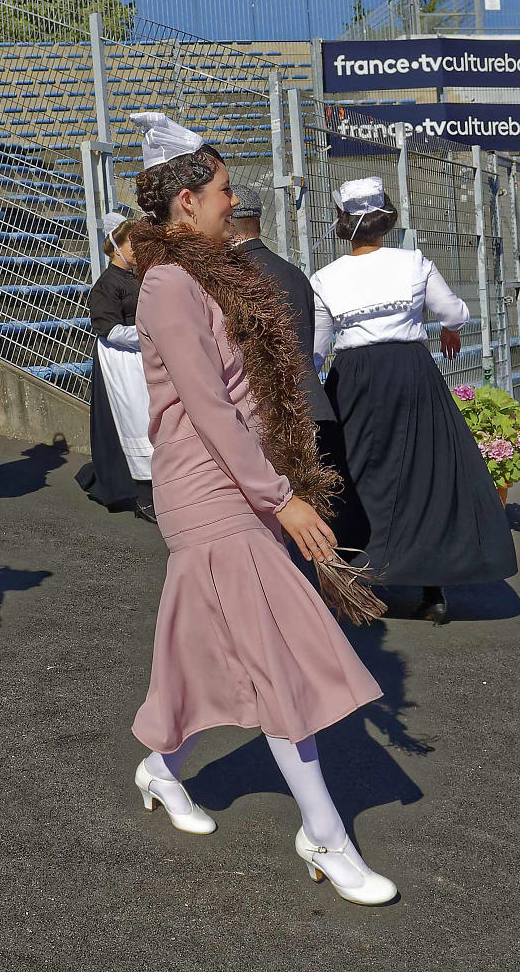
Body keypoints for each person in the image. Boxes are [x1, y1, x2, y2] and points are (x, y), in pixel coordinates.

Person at [123, 110, 395, 906]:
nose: (230, 201)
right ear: (184, 205)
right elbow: (208, 410)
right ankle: (324, 833)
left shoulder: (211, 276)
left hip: (236, 481)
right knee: (275, 654)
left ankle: (161, 767)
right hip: (210, 490)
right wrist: (283, 501)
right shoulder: (170, 285)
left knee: (221, 652)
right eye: (221, 190)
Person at [309, 178, 516, 624]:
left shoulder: (324, 278)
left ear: (343, 222)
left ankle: (359, 577)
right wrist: (447, 328)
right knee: (428, 471)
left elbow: (317, 350)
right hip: (411, 372)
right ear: (386, 218)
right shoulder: (413, 262)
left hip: (356, 378)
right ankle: (432, 591)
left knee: (356, 470)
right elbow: (455, 314)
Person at [226, 187, 366, 547]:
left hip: (269, 409)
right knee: (322, 519)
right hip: (313, 403)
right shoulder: (293, 273)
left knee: (282, 528)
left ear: (230, 223)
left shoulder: (231, 276)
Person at [76, 211, 155, 521]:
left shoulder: (141, 275)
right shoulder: (107, 285)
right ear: (115, 246)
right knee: (133, 422)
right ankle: (141, 495)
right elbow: (108, 329)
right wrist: (149, 333)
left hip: (143, 357)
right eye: (131, 244)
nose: (137, 250)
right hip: (120, 363)